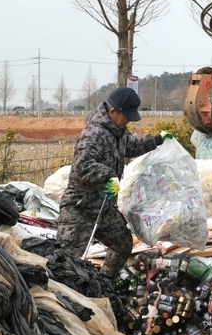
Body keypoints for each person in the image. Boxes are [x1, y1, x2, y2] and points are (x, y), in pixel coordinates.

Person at [58, 87, 164, 276]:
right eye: (126, 117)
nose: (128, 121)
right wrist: (108, 175)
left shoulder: (118, 132)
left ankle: (106, 281)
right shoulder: (94, 134)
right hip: (80, 209)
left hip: (104, 208)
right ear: (113, 111)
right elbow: (82, 166)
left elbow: (133, 146)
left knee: (122, 244)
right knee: (67, 263)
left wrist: (157, 140)